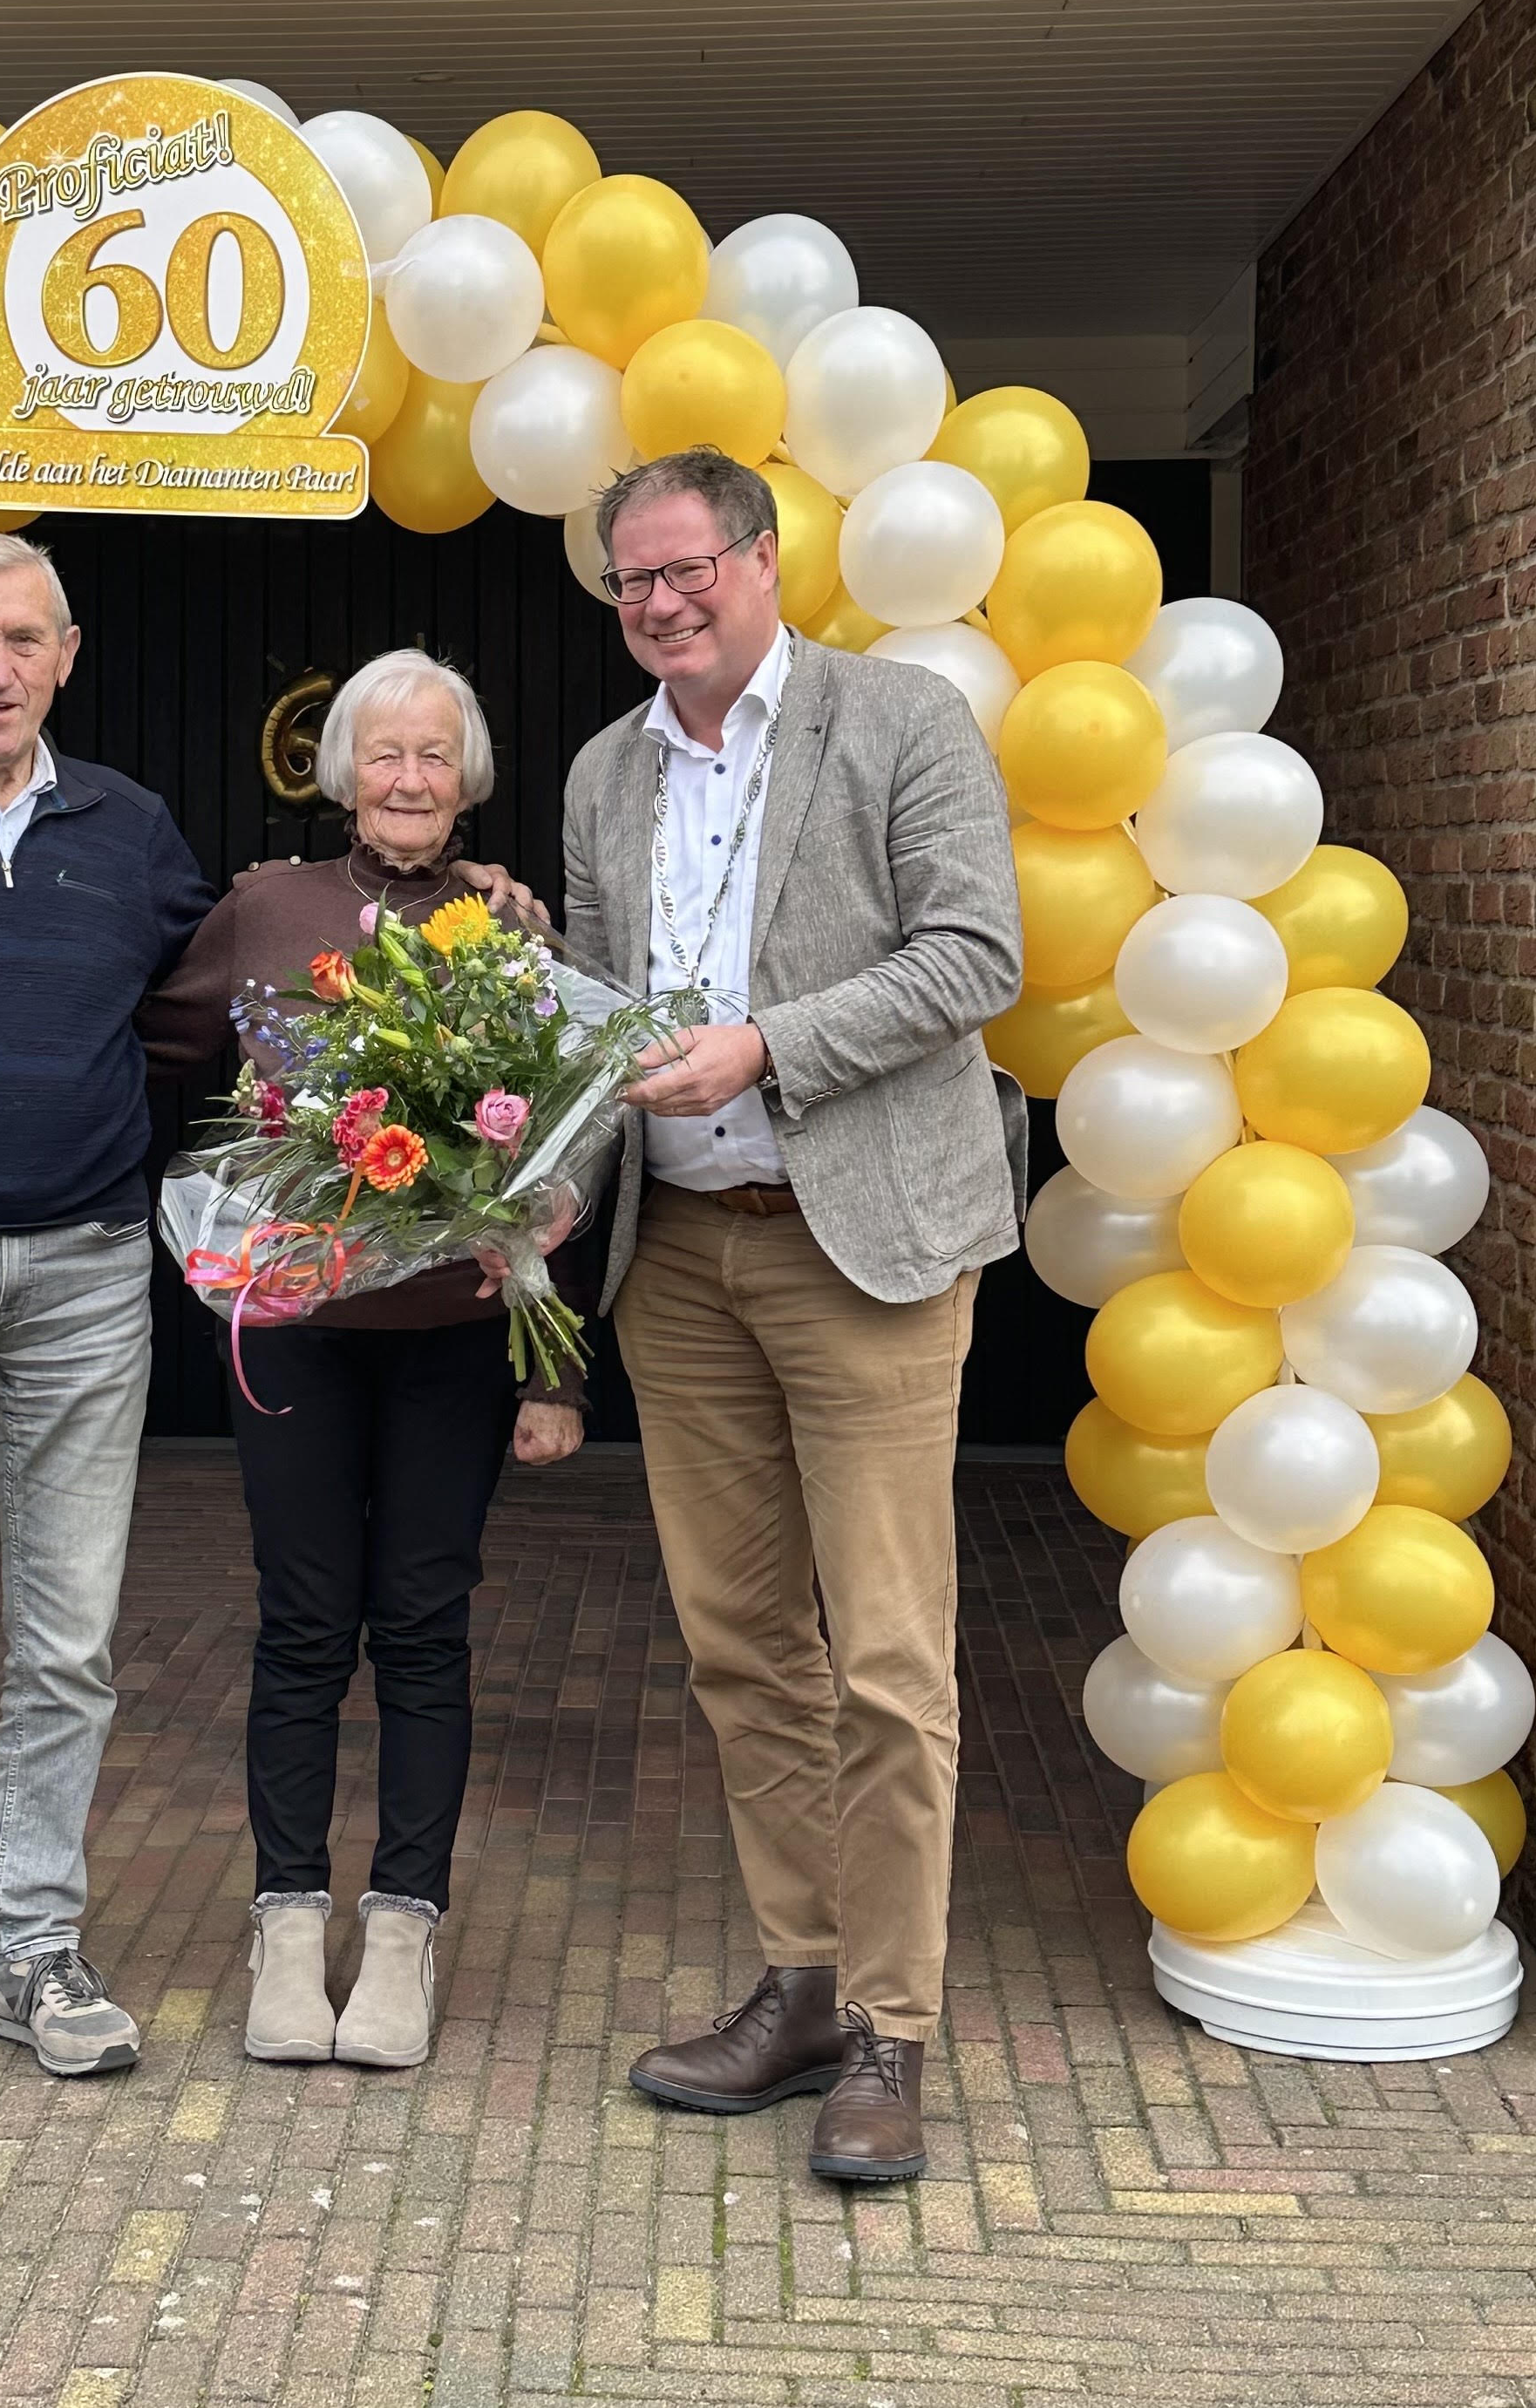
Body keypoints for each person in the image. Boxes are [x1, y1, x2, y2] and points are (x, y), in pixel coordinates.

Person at [0, 529, 547, 2094]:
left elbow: (261, 983)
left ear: (69, 652)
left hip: (87, 1274)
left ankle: (35, 1946)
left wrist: (475, 900)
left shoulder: (130, 828)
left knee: (67, 1642)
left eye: (22, 640)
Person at [559, 448, 1024, 2182]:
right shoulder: (607, 771)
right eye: (632, 584)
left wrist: (771, 1044)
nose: (660, 605)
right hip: (676, 1256)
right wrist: (547, 1154)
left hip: (870, 1251)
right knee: (746, 1648)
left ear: (765, 559)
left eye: (686, 570)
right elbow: (608, 1017)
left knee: (892, 1664)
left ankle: (896, 2036)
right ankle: (807, 1985)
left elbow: (980, 953)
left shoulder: (897, 720)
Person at [139, 650, 585, 2071]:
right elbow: (161, 1062)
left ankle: (401, 1928)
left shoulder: (507, 926)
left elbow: (577, 1144)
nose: (408, 779)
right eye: (384, 754)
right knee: (302, 1623)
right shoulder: (263, 909)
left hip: (454, 1330)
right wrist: (217, 1207)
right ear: (344, 769)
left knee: (426, 1625)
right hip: (296, 1336)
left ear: (468, 779)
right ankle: (284, 1922)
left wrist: (559, 1368)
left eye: (435, 757)